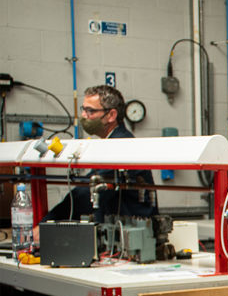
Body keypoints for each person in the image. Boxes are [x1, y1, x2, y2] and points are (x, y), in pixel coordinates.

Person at [41, 85, 157, 225]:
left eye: (90, 111)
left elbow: (86, 193)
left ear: (111, 115)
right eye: (83, 109)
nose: (84, 115)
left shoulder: (120, 145)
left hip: (133, 231)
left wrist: (49, 222)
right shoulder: (109, 143)